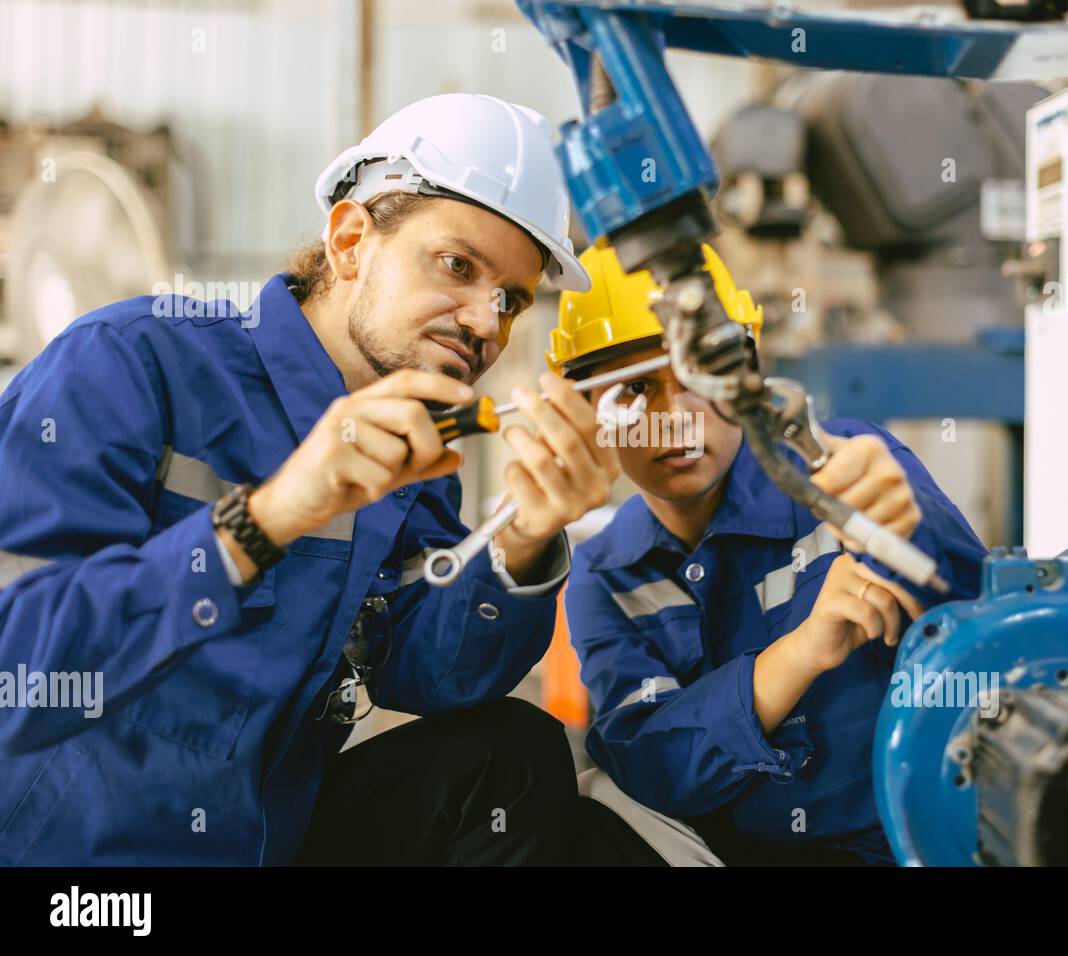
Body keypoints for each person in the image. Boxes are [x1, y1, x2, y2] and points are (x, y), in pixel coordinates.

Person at [0, 94, 619, 865]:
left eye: (513, 299)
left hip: (265, 841)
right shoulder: (129, 363)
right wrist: (273, 515)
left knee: (512, 756)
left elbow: (433, 674)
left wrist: (524, 539)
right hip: (82, 863)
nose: (487, 324)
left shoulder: (413, 454)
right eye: (458, 266)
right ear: (351, 239)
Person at [552, 242, 988, 865]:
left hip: (913, 846)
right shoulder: (605, 574)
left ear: (747, 372)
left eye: (701, 373)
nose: (675, 416)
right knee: (594, 799)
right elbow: (651, 763)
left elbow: (985, 635)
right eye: (635, 390)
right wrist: (800, 653)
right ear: (588, 411)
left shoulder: (844, 469)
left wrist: (912, 535)